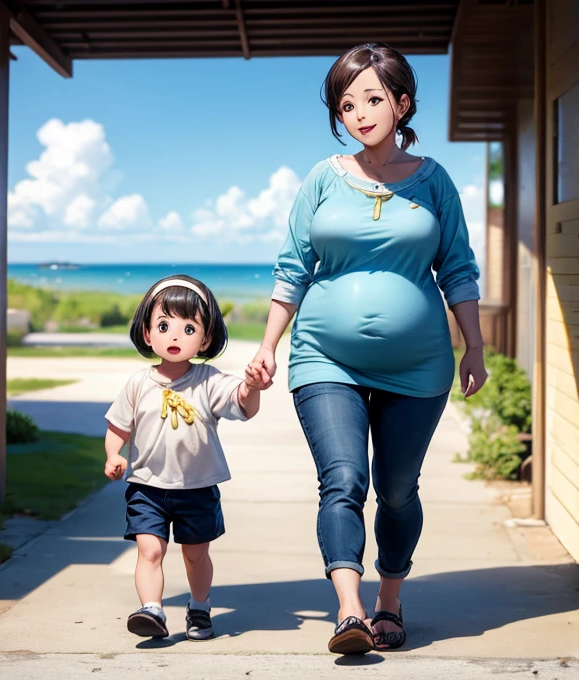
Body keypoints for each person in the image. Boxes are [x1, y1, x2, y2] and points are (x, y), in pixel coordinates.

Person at [248, 43, 488, 655]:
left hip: (419, 366)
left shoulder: (435, 182)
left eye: (373, 99)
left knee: (399, 489)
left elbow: (457, 268)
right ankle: (350, 612)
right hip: (326, 357)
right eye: (346, 103)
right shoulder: (322, 179)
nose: (358, 112)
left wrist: (475, 347)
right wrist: (269, 346)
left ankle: (390, 601)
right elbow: (292, 267)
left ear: (402, 103)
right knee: (344, 479)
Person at [104, 275, 266, 641]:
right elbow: (118, 425)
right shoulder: (138, 383)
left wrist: (252, 386)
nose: (175, 336)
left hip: (196, 488)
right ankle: (152, 609)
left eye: (188, 327)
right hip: (147, 487)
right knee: (149, 549)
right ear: (147, 334)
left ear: (205, 338)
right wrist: (114, 454)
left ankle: (199, 606)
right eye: (164, 326)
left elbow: (242, 404)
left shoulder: (209, 381)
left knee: (195, 555)